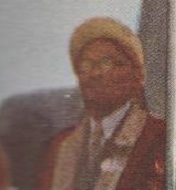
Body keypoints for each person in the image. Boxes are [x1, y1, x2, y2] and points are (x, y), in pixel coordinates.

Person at [37, 17, 164, 190]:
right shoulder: (61, 147)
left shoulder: (158, 137)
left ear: (138, 75)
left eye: (107, 63)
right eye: (86, 65)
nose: (95, 73)